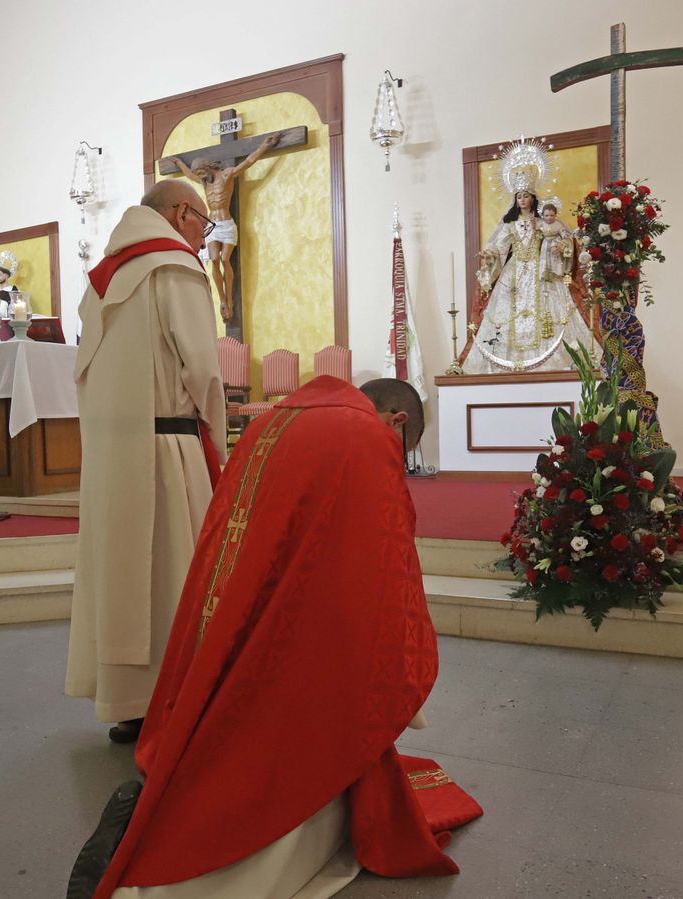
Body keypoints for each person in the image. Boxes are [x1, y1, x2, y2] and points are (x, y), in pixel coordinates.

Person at [70, 376, 481, 899]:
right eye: (404, 451)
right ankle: (150, 881)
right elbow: (383, 567)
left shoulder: (270, 422)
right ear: (397, 421)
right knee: (293, 767)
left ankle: (148, 822)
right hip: (302, 648)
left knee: (225, 733)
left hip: (231, 621)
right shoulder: (363, 435)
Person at [66, 179, 227, 744]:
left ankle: (129, 703)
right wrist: (219, 439)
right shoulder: (174, 268)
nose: (203, 242)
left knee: (124, 578)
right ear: (182, 213)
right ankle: (180, 702)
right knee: (175, 578)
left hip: (113, 454)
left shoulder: (102, 279)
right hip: (168, 448)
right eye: (203, 226)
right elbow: (203, 369)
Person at [468, 189, 595, 373]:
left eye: (526, 196)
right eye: (519, 197)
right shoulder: (510, 225)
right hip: (514, 272)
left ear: (533, 199)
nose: (522, 200)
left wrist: (562, 246)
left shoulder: (544, 222)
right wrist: (490, 253)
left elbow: (564, 237)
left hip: (542, 269)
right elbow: (500, 247)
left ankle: (555, 362)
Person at [167, 133, 280, 321]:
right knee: (214, 260)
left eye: (202, 173)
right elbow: (188, 174)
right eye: (199, 176)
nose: (201, 178)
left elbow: (249, 161)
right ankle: (222, 300)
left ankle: (230, 299)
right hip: (211, 226)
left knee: (226, 259)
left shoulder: (227, 175)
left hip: (226, 224)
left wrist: (265, 147)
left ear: (208, 167)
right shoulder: (203, 181)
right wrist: (178, 162)